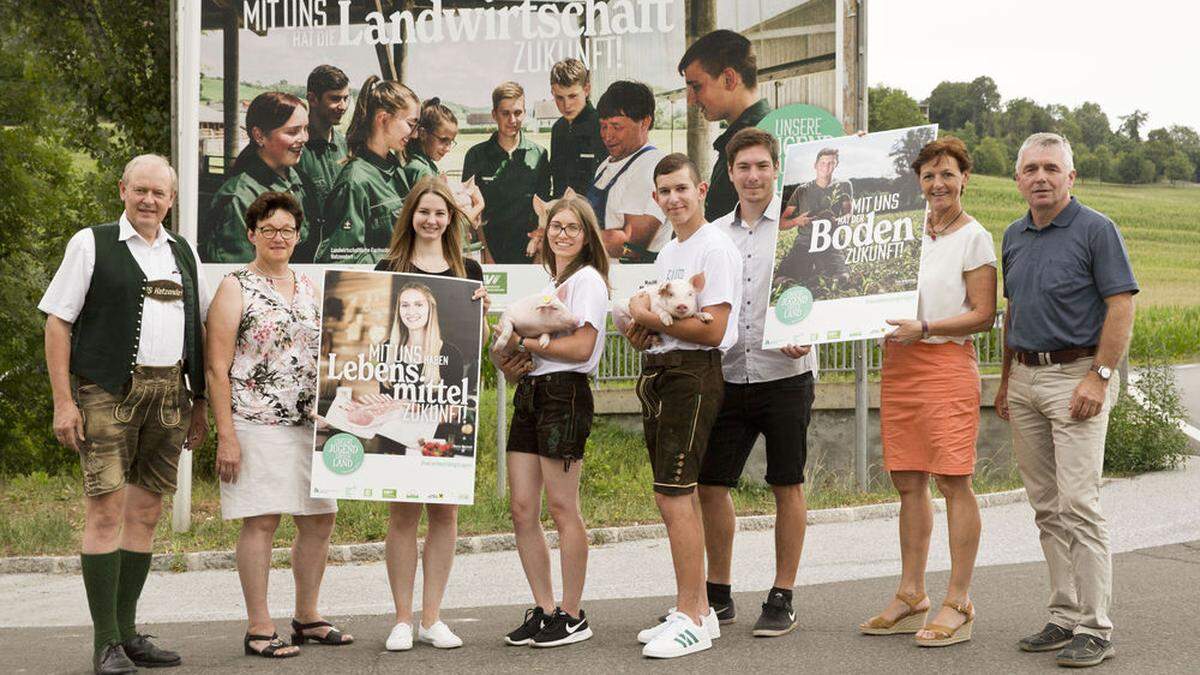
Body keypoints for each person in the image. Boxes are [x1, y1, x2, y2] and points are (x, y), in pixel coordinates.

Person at [40, 154, 209, 674]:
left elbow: (197, 332)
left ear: (172, 200)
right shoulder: (90, 243)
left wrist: (198, 400)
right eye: (140, 190)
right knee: (106, 511)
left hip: (169, 396)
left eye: (159, 193)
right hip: (107, 392)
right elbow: (57, 323)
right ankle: (105, 642)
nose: (149, 200)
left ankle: (129, 634)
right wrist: (64, 402)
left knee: (146, 513)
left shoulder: (184, 251)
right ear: (122, 190)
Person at [996, 132, 1136, 668]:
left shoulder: (1097, 230)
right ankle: (1063, 613)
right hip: (1028, 379)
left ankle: (1097, 627)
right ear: (1018, 180)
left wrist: (1099, 377)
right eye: (1031, 169)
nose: (1041, 177)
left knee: (1080, 503)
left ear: (1070, 177)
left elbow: (1120, 306)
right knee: (1046, 507)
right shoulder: (1013, 235)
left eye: (1051, 168)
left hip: (1079, 375)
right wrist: (1008, 382)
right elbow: (1015, 314)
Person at [859, 137, 997, 648]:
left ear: (965, 179)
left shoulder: (975, 237)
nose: (938, 184)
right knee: (908, 482)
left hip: (944, 362)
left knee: (953, 481)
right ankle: (911, 592)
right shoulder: (902, 232)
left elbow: (983, 314)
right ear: (917, 181)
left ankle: (958, 600)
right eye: (929, 175)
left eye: (948, 174)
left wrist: (929, 327)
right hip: (901, 363)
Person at [204, 191, 348, 659]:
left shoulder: (310, 287)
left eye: (287, 229)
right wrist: (225, 435)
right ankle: (259, 626)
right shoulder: (235, 286)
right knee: (262, 520)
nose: (279, 237)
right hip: (255, 420)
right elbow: (216, 367)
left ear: (299, 235)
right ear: (252, 235)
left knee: (319, 519)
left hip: (311, 424)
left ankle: (307, 617)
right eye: (269, 230)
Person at [624, 154, 742, 659]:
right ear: (655, 199)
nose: (674, 199)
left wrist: (648, 314)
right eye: (665, 192)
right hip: (664, 372)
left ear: (702, 188)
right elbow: (659, 321)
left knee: (675, 494)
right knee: (677, 495)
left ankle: (693, 617)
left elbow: (714, 330)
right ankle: (695, 608)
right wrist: (641, 327)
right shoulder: (670, 250)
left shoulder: (716, 247)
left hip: (693, 377)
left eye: (681, 189)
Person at [700, 128, 817, 638]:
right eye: (743, 167)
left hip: (785, 376)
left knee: (786, 484)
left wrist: (808, 335)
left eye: (762, 166)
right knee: (710, 485)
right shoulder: (714, 235)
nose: (753, 176)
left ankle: (782, 594)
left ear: (776, 170)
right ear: (730, 174)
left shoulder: (799, 227)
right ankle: (718, 594)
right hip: (726, 375)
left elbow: (822, 292)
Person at [374, 175, 491, 652]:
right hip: (399, 411)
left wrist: (484, 312)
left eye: (440, 213)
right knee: (403, 514)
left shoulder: (469, 271)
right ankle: (402, 618)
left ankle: (432, 617)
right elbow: (373, 349)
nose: (431, 219)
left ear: (452, 219)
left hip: (447, 414)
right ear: (411, 216)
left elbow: (478, 346)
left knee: (444, 514)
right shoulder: (388, 266)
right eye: (424, 211)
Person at [496, 195, 610, 648]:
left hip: (565, 395)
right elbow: (533, 348)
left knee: (563, 509)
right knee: (522, 509)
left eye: (572, 227)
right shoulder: (552, 281)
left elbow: (582, 350)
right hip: (532, 393)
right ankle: (545, 610)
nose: (562, 234)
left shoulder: (588, 281)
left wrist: (527, 340)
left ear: (586, 236)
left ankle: (574, 613)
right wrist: (513, 358)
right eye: (556, 226)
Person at [315, 76, 420, 264]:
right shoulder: (354, 182)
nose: (415, 134)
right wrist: (397, 257)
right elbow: (338, 257)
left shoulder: (394, 167)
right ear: (383, 118)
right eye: (411, 124)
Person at [677, 29, 772, 221]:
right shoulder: (749, 136)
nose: (690, 100)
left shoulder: (757, 141)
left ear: (729, 79)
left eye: (696, 87)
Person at [205, 92, 310, 263]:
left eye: (306, 129)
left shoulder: (296, 179)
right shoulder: (238, 198)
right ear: (259, 136)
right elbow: (238, 274)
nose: (304, 138)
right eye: (293, 132)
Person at [461, 81, 551, 264]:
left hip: (529, 253)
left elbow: (544, 211)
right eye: (505, 113)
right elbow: (470, 212)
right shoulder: (476, 155)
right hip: (489, 254)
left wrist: (539, 251)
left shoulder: (539, 155)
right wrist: (484, 252)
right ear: (494, 114)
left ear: (525, 113)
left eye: (517, 113)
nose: (512, 120)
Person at [590, 80, 667, 262]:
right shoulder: (606, 165)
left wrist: (577, 237)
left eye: (617, 127)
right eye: (603, 126)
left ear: (644, 123)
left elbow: (631, 245)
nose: (607, 136)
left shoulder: (652, 165)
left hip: (633, 278)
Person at [404, 98, 486, 255]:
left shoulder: (423, 166)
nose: (447, 148)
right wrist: (479, 205)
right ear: (422, 134)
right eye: (443, 140)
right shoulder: (422, 172)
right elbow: (449, 223)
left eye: (451, 142)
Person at [773, 148, 854, 299]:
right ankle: (804, 285)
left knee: (844, 276)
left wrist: (837, 221)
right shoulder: (802, 190)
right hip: (804, 244)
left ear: (836, 164)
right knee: (780, 280)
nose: (827, 166)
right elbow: (782, 223)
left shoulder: (844, 185)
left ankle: (821, 281)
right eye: (823, 163)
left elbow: (848, 216)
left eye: (831, 163)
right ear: (815, 165)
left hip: (830, 243)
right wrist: (798, 220)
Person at [294, 64, 350, 262]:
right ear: (312, 99)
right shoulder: (296, 147)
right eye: (335, 98)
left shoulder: (344, 144)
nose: (342, 106)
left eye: (346, 98)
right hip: (302, 255)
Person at [549, 58, 606, 198]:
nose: (566, 105)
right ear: (552, 93)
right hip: (563, 214)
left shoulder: (603, 125)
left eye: (573, 96)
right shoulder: (558, 128)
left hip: (594, 215)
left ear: (586, 89)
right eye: (559, 98)